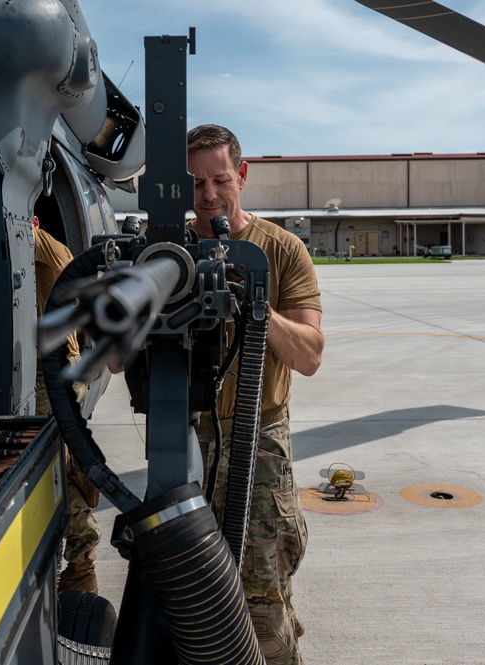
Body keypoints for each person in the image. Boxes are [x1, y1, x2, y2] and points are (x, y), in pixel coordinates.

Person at [186, 124, 323, 665]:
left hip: (258, 443)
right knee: (194, 604)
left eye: (220, 180)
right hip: (188, 443)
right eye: (197, 184)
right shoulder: (173, 253)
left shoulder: (282, 250)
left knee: (261, 606)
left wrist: (258, 308)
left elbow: (310, 355)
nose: (209, 195)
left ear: (241, 176)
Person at [31, 217, 101, 594]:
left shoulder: (47, 247)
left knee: (58, 471)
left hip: (53, 379)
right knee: (60, 469)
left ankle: (81, 562)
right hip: (49, 375)